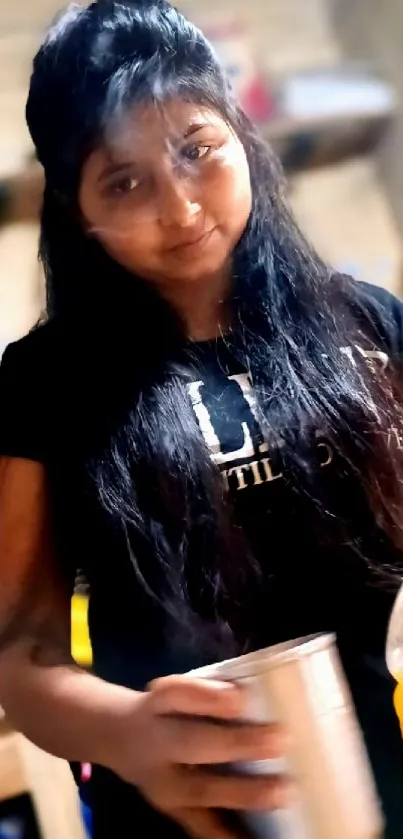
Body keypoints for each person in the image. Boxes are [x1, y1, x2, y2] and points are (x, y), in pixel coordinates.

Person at [1, 1, 403, 836]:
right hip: (170, 816)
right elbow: (18, 651)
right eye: (124, 180)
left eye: (195, 150)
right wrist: (124, 733)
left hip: (372, 790)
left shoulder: (369, 326)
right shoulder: (46, 383)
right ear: (79, 211)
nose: (180, 209)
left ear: (242, 136)